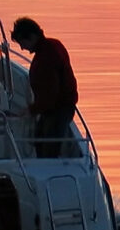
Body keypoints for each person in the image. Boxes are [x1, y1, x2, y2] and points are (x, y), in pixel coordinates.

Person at [11, 16, 79, 154]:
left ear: (31, 36)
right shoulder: (54, 45)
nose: (22, 48)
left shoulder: (46, 57)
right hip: (53, 109)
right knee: (39, 140)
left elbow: (50, 94)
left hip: (57, 110)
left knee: (48, 147)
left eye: (22, 42)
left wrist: (31, 110)